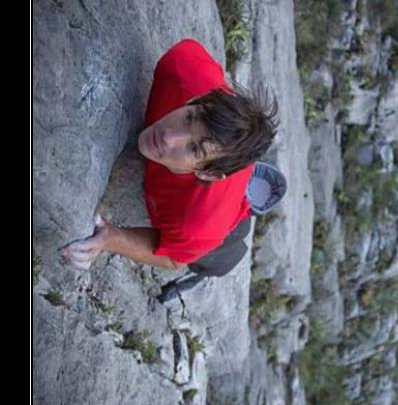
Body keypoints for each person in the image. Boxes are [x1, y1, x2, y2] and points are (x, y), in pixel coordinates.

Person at [59, 39, 284, 282]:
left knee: (220, 257)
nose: (168, 136)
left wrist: (110, 238)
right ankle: (241, 167)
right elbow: (194, 59)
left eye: (195, 149)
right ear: (194, 101)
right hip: (223, 170)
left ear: (207, 173)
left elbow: (174, 259)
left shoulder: (200, 225)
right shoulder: (182, 68)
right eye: (188, 118)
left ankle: (245, 200)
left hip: (219, 217)